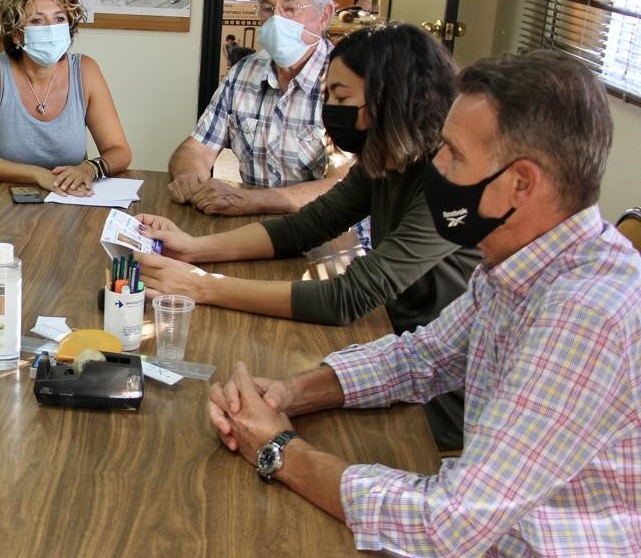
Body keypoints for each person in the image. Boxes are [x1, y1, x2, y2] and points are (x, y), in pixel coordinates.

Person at [207, 50, 641, 555]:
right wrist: (290, 392)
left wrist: (280, 451)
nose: (435, 165)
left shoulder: (586, 314)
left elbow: (447, 522)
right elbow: (423, 357)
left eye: (453, 154)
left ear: (521, 184)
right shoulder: (521, 264)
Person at [137, 23, 480, 450]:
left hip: (439, 391)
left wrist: (205, 287)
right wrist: (196, 248)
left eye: (340, 97)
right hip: (394, 350)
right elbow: (306, 227)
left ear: (385, 99)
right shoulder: (383, 158)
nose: (328, 110)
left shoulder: (446, 181)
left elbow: (345, 298)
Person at [167, 0, 350, 216]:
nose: (276, 20)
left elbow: (344, 186)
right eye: (267, 9)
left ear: (324, 16)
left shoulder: (347, 82)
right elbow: (197, 147)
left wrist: (251, 200)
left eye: (289, 8)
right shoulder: (244, 72)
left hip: (326, 231)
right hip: (251, 226)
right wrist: (189, 177)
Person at [0, 0, 132, 196]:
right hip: (0, 196)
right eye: (37, 21)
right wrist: (38, 175)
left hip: (71, 196)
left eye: (59, 19)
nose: (51, 29)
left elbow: (120, 151)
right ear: (16, 34)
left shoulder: (85, 70)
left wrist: (89, 168)